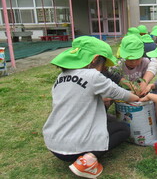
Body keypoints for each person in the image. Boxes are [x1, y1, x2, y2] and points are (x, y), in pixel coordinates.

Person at [43, 36, 139, 178]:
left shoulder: (61, 76)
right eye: (104, 64)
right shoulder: (92, 75)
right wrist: (137, 97)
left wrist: (102, 99)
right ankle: (88, 159)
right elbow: (120, 93)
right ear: (95, 59)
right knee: (122, 129)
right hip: (73, 147)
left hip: (53, 144)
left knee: (109, 120)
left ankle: (83, 153)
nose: (104, 69)